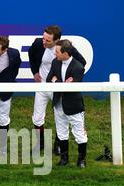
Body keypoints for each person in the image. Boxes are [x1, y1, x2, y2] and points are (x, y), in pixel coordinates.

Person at [28, 25, 86, 154]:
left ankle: (58, 144)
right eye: (43, 38)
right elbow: (31, 54)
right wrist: (34, 71)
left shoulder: (65, 48)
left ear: (56, 40)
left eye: (48, 41)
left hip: (58, 88)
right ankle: (40, 143)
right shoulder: (38, 43)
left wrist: (72, 79)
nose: (44, 42)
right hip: (42, 85)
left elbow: (82, 62)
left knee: (60, 117)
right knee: (37, 117)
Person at [46, 39, 88, 168]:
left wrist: (57, 82)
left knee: (79, 134)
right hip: (58, 103)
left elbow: (72, 87)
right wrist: (62, 84)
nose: (55, 54)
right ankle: (64, 159)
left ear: (65, 53)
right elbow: (49, 79)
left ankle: (81, 160)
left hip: (74, 106)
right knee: (61, 132)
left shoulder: (78, 67)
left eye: (57, 52)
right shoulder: (55, 62)